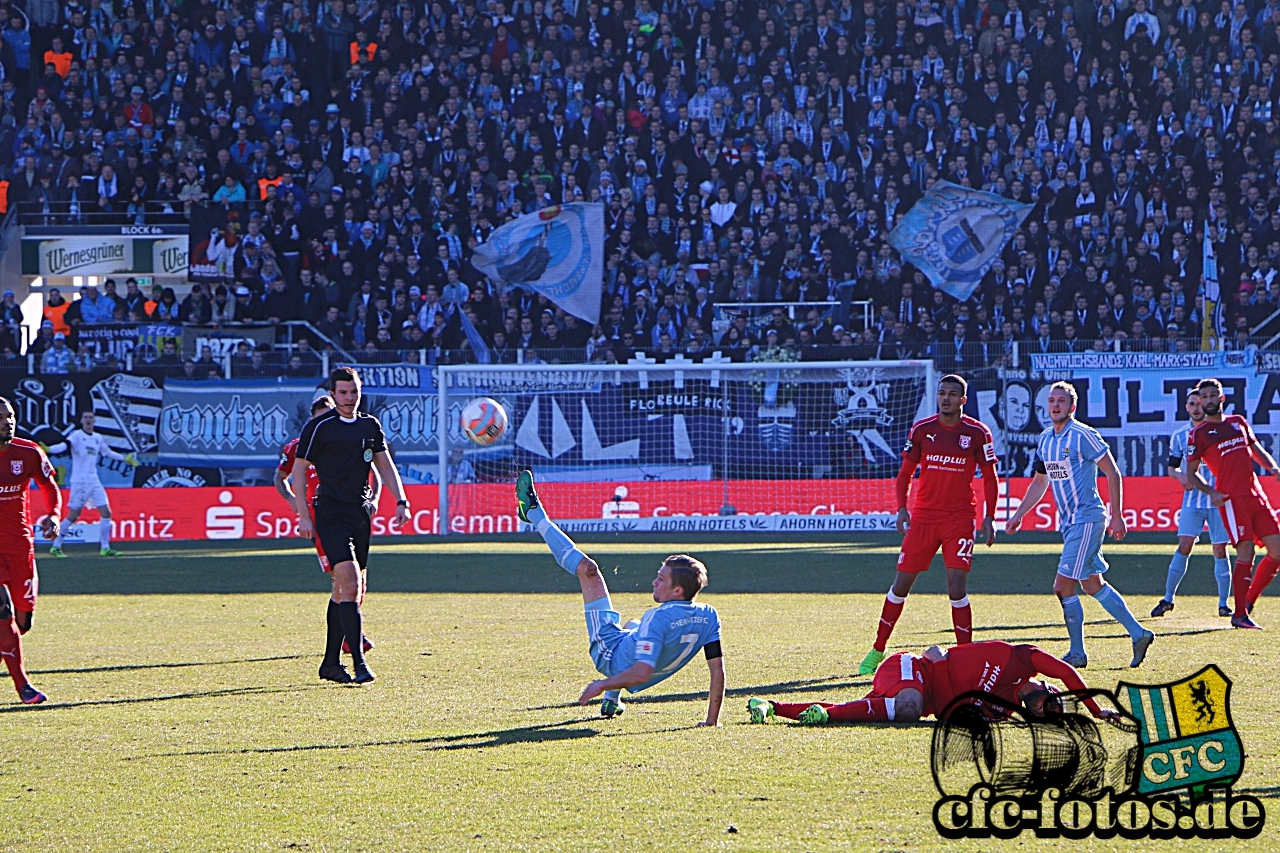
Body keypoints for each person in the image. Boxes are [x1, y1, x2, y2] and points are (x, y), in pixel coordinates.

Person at [516, 469, 725, 724]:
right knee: (633, 625)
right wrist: (712, 721)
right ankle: (613, 702)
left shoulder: (657, 618)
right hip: (635, 649)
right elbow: (717, 671)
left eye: (661, 579)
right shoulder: (709, 615)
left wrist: (602, 684)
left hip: (610, 653)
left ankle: (535, 514)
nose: (654, 582)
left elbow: (641, 672)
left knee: (589, 570)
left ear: (677, 591)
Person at [857, 374, 999, 676]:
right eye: (941, 393)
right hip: (923, 518)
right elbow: (904, 474)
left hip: (959, 519)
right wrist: (901, 509)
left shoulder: (977, 433)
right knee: (900, 585)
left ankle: (964, 657)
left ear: (963, 399)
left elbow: (990, 477)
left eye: (951, 394)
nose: (945, 398)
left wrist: (990, 516)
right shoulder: (923, 430)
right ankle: (878, 648)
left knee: (956, 587)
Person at [1006, 381, 1154, 668]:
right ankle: (1139, 633)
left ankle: (1077, 653)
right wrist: (1019, 513)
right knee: (1092, 584)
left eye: (1061, 400)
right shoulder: (1046, 439)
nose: (1055, 405)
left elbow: (1112, 472)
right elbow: (1040, 482)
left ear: (1072, 407)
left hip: (1088, 518)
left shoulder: (1083, 435)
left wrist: (1117, 514)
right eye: (1052, 400)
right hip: (1071, 523)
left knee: (1062, 586)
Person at [293, 367, 410, 685]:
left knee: (343, 590)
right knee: (350, 581)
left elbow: (383, 464)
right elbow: (298, 472)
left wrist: (400, 500)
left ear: (360, 393)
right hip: (328, 513)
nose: (348, 398)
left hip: (359, 514)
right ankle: (358, 663)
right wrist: (304, 515)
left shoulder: (370, 426)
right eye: (342, 393)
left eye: (353, 392)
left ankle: (330, 663)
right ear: (333, 394)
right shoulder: (319, 427)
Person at [748, 640, 1117, 724]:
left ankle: (774, 707)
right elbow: (1069, 672)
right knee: (906, 707)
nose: (1041, 706)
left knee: (899, 709)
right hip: (911, 667)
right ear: (1049, 688)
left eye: (1041, 712)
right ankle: (830, 716)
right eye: (1048, 703)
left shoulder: (1001, 712)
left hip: (918, 697)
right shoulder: (1022, 658)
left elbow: (951, 717)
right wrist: (1096, 708)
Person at [276, 395, 373, 656]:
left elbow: (369, 470)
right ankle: (351, 636)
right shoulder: (298, 446)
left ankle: (347, 635)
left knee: (357, 580)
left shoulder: (346, 441)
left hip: (349, 512)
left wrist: (370, 499)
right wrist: (294, 501)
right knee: (342, 577)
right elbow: (281, 476)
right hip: (321, 519)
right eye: (320, 417)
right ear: (312, 419)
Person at [1186, 377, 1280, 630]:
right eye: (1202, 397)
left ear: (1221, 398)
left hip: (1255, 495)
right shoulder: (1199, 434)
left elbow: (1255, 449)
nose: (1207, 401)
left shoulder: (1238, 422)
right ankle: (1239, 615)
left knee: (1277, 551)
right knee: (1246, 550)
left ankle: (1247, 603)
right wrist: (1211, 492)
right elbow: (1190, 472)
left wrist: (1272, 468)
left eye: (1211, 396)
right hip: (1230, 499)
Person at [0, 397, 62, 704]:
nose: (7, 421)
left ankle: (6, 651)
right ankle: (22, 686)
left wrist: (53, 516)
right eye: (1, 417)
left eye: (9, 416)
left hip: (21, 548)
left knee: (22, 624)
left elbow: (50, 488)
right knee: (2, 612)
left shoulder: (28, 453)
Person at [1151, 389, 1233, 619]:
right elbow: (1171, 468)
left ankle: (1223, 603)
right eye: (1192, 403)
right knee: (1185, 544)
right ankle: (1168, 599)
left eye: (1200, 402)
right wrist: (1180, 476)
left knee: (1220, 548)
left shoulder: (1220, 431)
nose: (1197, 407)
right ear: (1186, 407)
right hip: (1193, 500)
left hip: (1218, 499)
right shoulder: (1179, 435)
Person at [46, 411, 140, 557]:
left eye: (91, 417)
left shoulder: (97, 438)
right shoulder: (77, 435)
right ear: (82, 420)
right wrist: (49, 450)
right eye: (86, 417)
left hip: (94, 481)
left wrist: (124, 459)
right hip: (80, 481)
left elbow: (107, 452)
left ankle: (105, 547)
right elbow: (64, 445)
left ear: (94, 420)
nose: (88, 420)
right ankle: (56, 546)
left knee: (106, 512)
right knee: (73, 515)